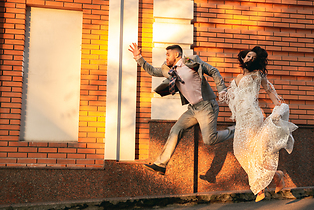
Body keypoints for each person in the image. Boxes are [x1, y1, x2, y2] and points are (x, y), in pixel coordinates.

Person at [128, 43, 235, 175]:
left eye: (168, 55)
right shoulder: (169, 70)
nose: (166, 58)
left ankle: (236, 130)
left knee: (209, 140)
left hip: (207, 105)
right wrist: (139, 57)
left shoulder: (191, 62)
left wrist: (222, 90)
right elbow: (152, 71)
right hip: (193, 109)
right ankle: (161, 164)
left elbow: (214, 71)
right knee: (176, 129)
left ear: (177, 55)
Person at [223, 46, 298, 202]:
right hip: (241, 120)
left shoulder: (258, 75)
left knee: (258, 151)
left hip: (253, 117)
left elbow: (269, 90)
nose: (250, 59)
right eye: (248, 56)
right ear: (243, 58)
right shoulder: (236, 78)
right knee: (240, 151)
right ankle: (277, 175)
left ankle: (259, 188)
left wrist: (278, 105)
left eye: (253, 58)